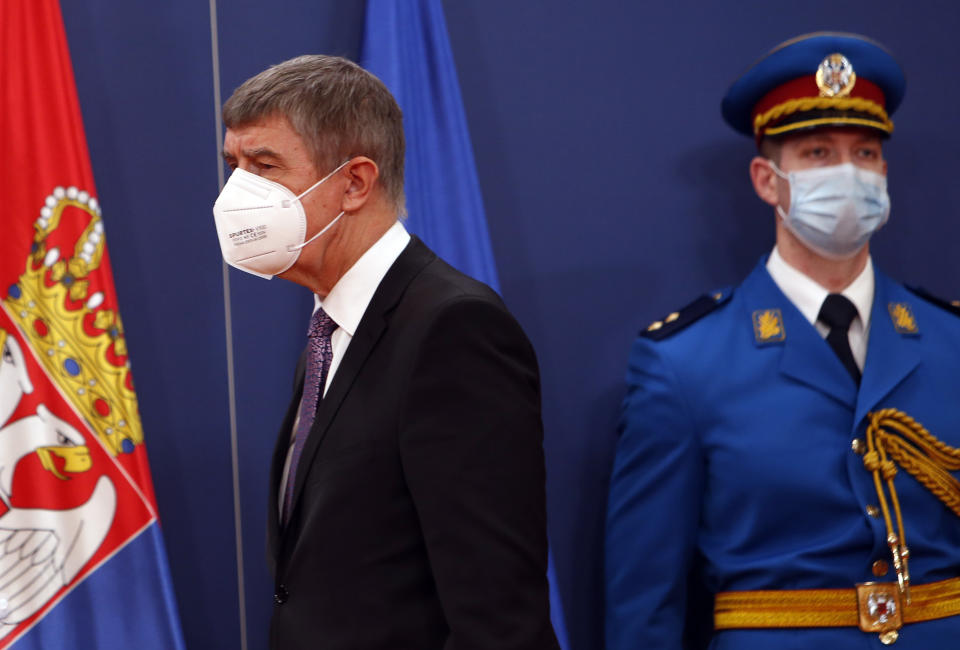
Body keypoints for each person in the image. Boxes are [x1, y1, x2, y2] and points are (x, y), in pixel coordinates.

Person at [605, 32, 960, 649]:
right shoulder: (685, 362)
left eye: (867, 152)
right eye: (819, 152)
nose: (850, 173)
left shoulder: (951, 339)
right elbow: (646, 600)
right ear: (767, 181)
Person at [211, 55, 559, 650]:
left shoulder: (454, 329)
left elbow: (497, 614)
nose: (238, 193)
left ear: (354, 183)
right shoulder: (332, 327)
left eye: (265, 166)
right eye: (234, 166)